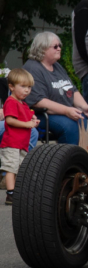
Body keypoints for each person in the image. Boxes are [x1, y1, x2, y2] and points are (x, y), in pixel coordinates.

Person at [23, 32, 88, 145]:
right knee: (71, 126)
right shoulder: (33, 68)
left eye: (59, 46)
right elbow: (38, 101)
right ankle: (66, 161)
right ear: (42, 49)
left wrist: (85, 107)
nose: (59, 49)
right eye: (55, 46)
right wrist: (67, 111)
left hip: (62, 112)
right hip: (41, 115)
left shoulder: (56, 66)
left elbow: (72, 90)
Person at [2, 69, 39, 205]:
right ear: (11, 87)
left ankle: (17, 190)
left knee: (19, 168)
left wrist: (33, 119)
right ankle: (10, 193)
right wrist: (27, 123)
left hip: (22, 143)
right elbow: (10, 120)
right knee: (11, 168)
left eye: (29, 87)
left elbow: (27, 116)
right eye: (23, 86)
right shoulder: (11, 102)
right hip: (11, 142)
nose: (26, 90)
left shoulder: (23, 104)